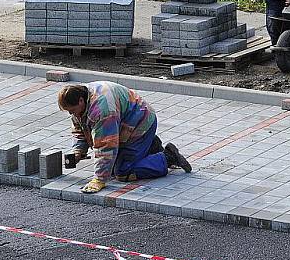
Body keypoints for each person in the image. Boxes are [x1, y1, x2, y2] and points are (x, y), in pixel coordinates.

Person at [58, 81, 192, 194]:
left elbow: (106, 146)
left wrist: (99, 179)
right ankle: (151, 147)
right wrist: (78, 151)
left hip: (140, 125)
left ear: (81, 101)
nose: (71, 114)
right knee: (110, 168)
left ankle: (168, 157)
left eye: (72, 110)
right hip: (127, 124)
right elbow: (80, 128)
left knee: (122, 172)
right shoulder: (81, 97)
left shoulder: (102, 110)